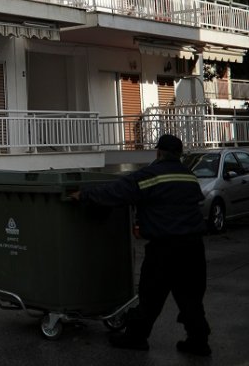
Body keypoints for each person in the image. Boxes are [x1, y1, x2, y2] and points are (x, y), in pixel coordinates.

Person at [70, 134, 210, 356]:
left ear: (158, 153)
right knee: (190, 298)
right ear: (179, 154)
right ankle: (199, 342)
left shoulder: (150, 175)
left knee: (150, 295)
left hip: (165, 248)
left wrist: (84, 195)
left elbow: (115, 192)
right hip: (193, 247)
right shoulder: (189, 176)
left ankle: (136, 337)